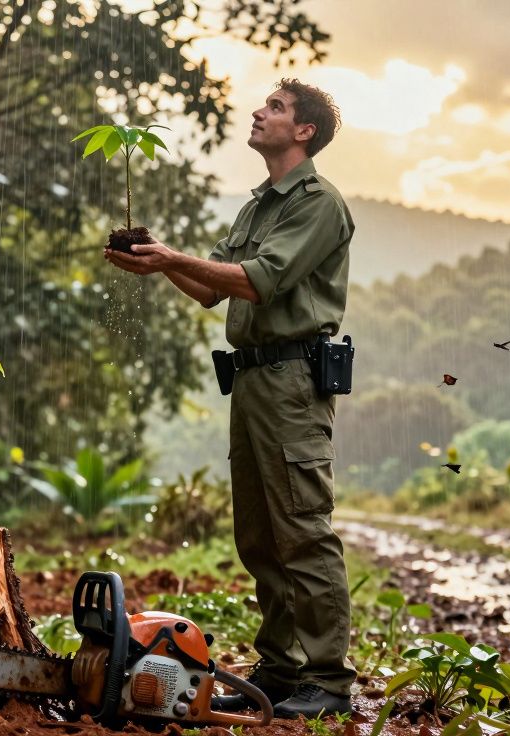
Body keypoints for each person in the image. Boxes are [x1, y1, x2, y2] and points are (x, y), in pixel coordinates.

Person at [103, 79, 356, 718]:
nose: (258, 111)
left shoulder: (318, 203)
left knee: (301, 529)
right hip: (251, 380)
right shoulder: (258, 207)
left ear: (304, 131)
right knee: (259, 534)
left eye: (274, 108)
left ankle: (327, 680)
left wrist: (170, 257)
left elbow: (260, 282)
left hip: (294, 381)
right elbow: (212, 288)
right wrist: (156, 261)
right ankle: (280, 668)